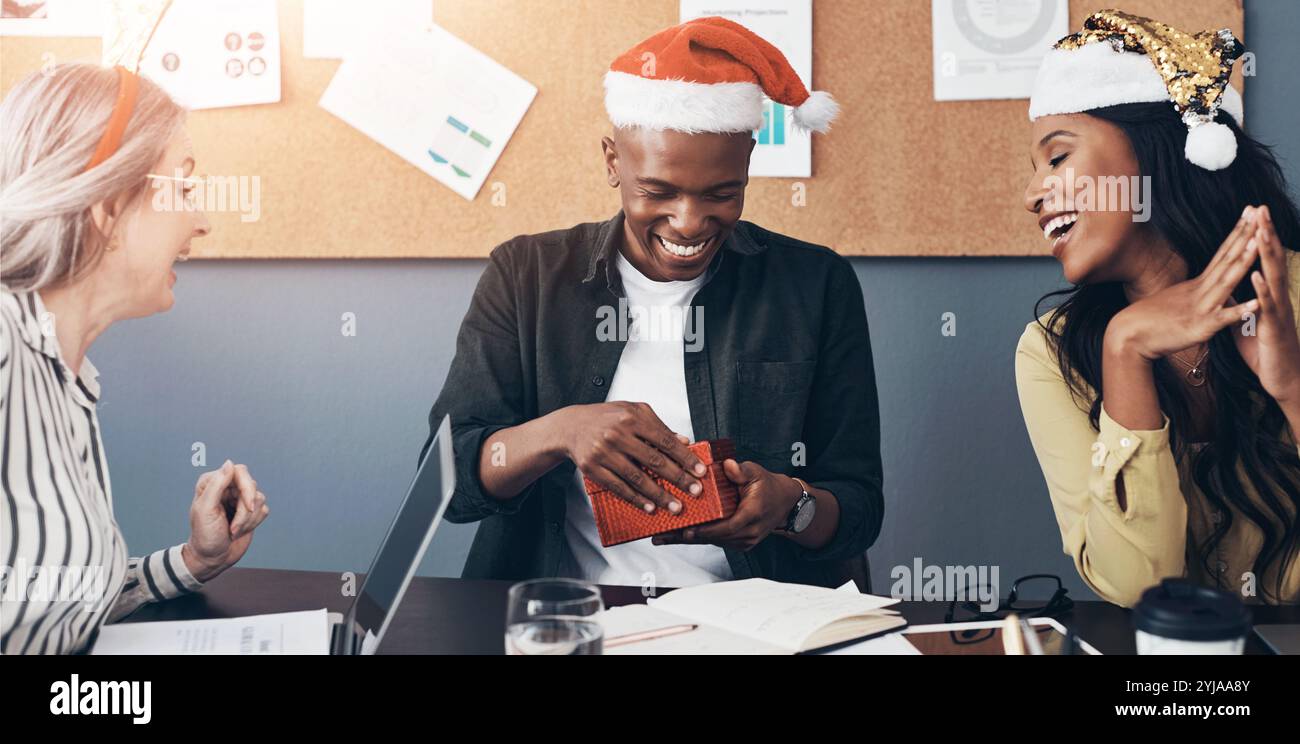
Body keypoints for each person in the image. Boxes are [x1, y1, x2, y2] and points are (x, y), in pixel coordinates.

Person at [423, 16, 883, 588]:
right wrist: (562, 432)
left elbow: (859, 510)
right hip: (574, 612)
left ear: (747, 163)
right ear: (613, 162)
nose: (689, 222)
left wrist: (792, 507)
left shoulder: (815, 285)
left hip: (758, 617)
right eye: (657, 192)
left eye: (722, 194)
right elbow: (446, 481)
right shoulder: (526, 274)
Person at [1016, 10, 1300, 607]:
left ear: (1155, 150)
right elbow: (1137, 586)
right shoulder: (1049, 351)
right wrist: (1126, 350)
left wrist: (1292, 389)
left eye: (1058, 158)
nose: (1032, 195)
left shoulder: (1291, 293)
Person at [0, 64, 270, 653]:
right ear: (108, 205)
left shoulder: (63, 377)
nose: (202, 222)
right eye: (183, 188)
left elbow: (43, 607)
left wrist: (195, 561)